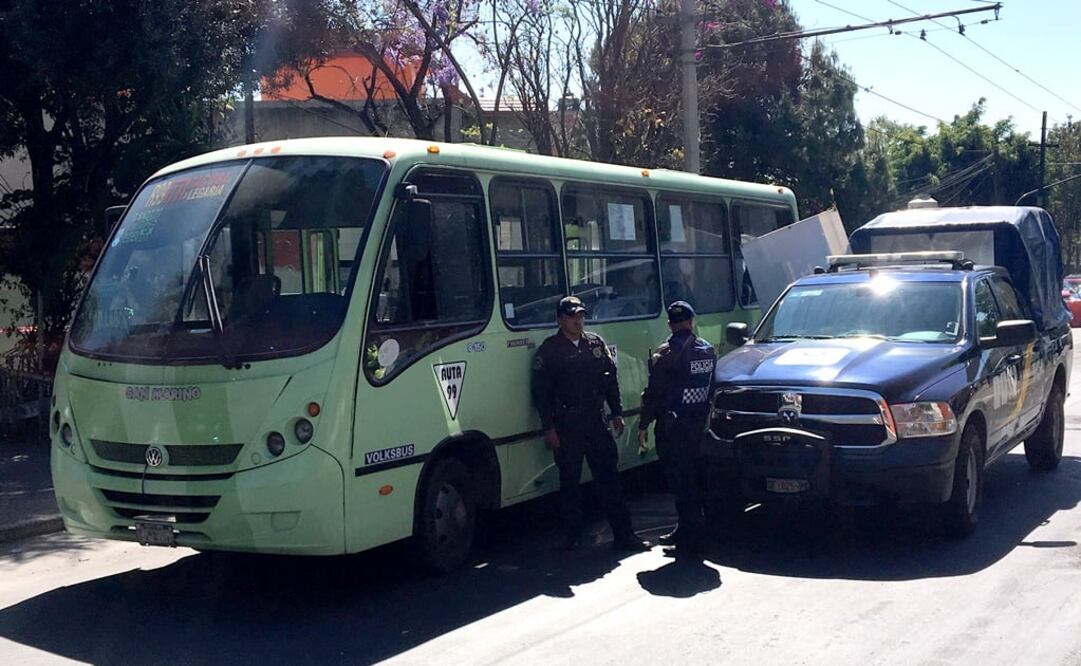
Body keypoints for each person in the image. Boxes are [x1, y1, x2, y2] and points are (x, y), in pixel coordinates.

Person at [532, 295, 649, 553]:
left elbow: (610, 380)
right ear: (560, 319)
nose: (578, 321)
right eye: (573, 316)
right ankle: (573, 537)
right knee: (570, 483)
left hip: (596, 420)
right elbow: (541, 394)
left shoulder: (595, 344)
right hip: (567, 423)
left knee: (610, 480)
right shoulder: (550, 350)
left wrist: (617, 412)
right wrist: (548, 429)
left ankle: (625, 535)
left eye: (582, 316)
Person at [638, 300, 717, 560]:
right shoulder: (708, 351)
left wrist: (643, 424)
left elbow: (654, 394)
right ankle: (688, 532)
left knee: (682, 486)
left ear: (670, 324)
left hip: (675, 430)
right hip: (700, 427)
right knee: (696, 482)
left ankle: (690, 541)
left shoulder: (667, 354)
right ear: (692, 321)